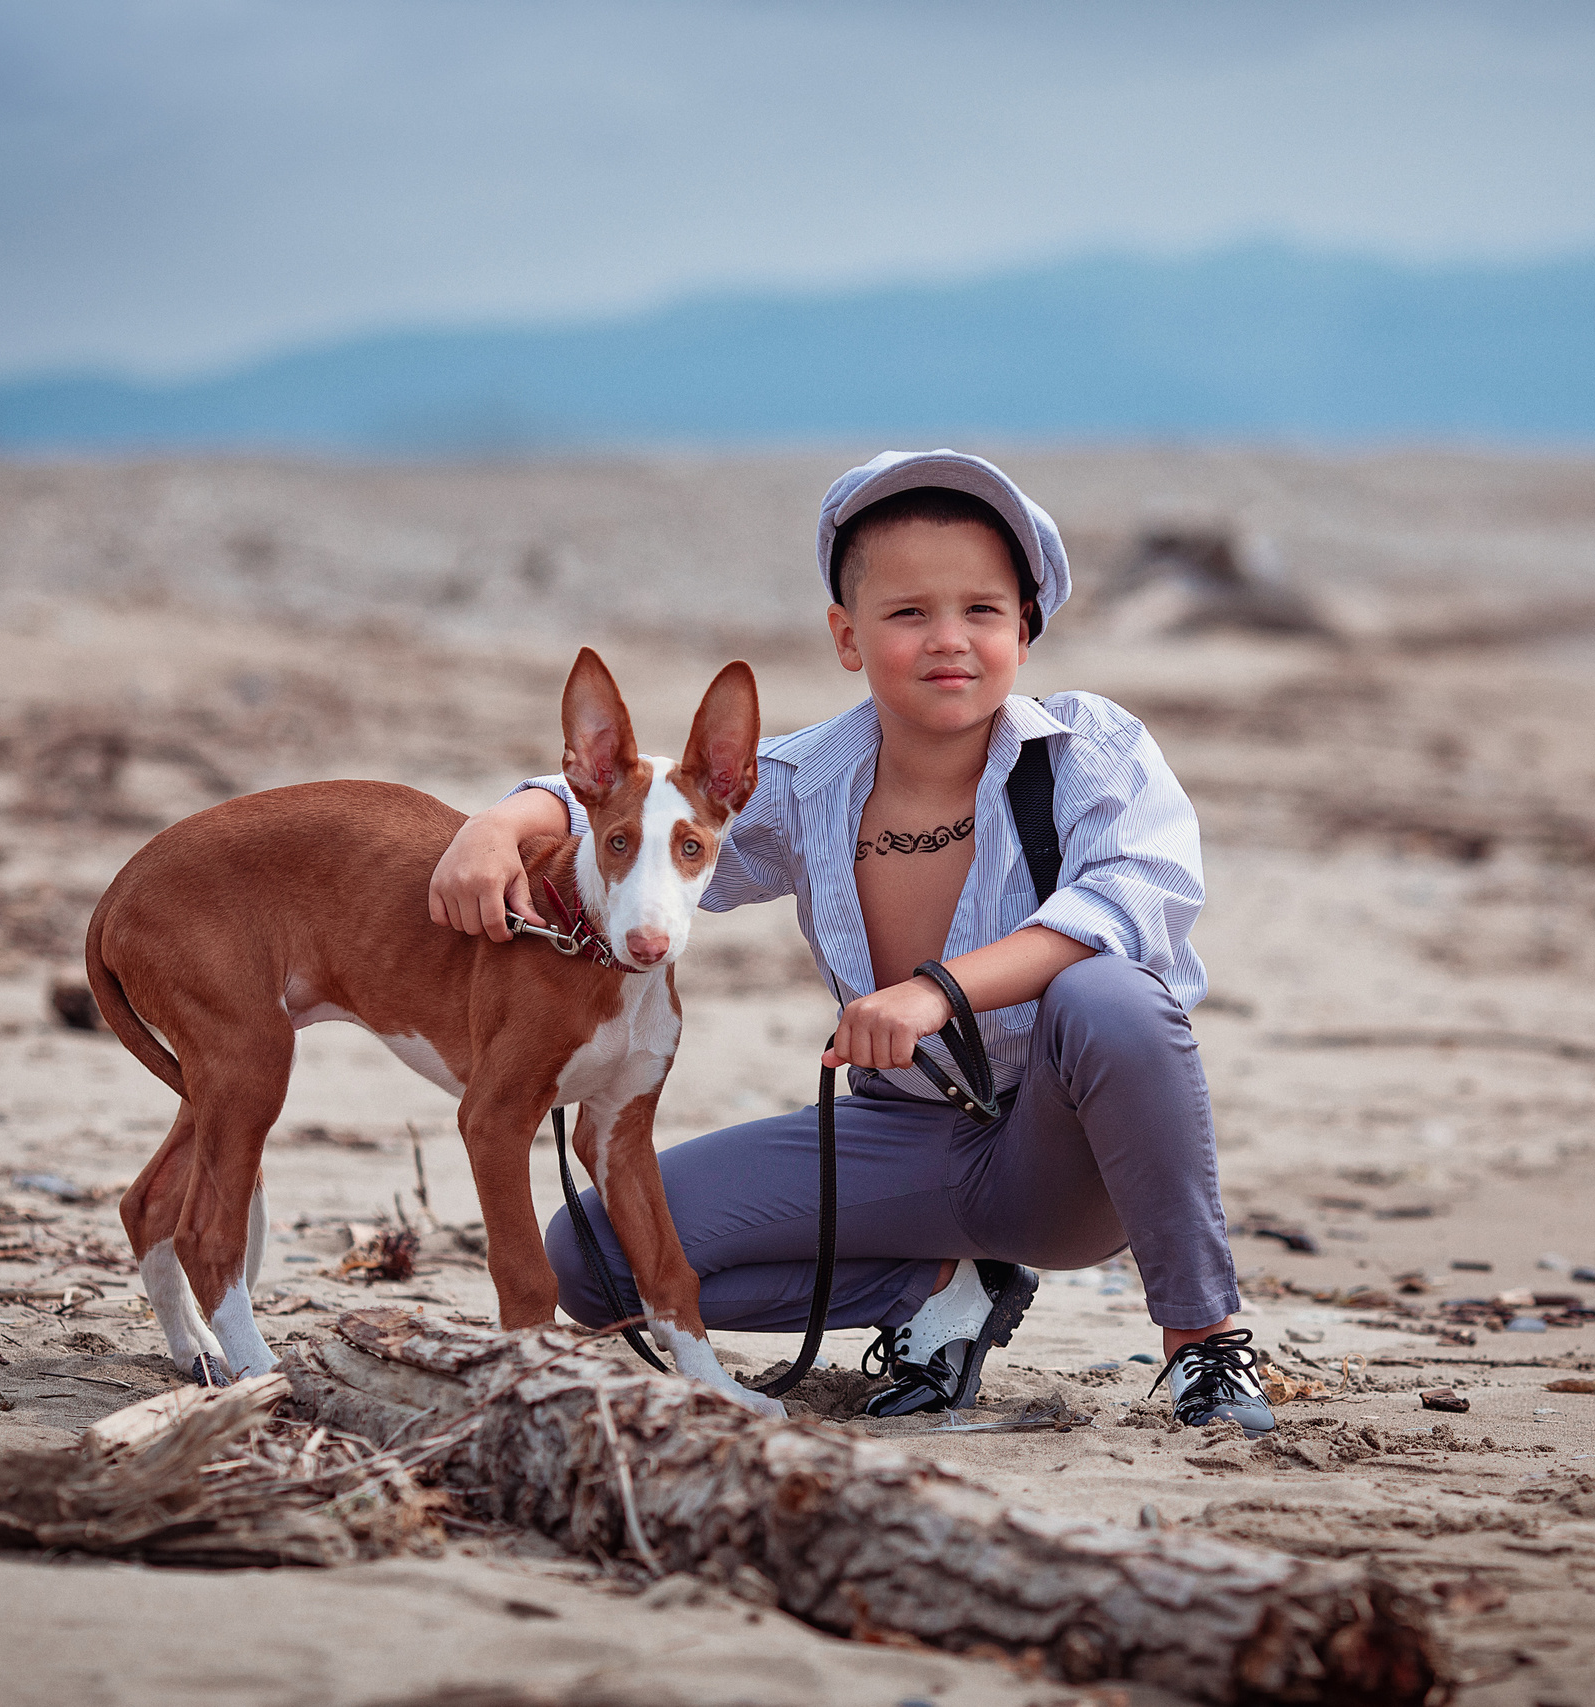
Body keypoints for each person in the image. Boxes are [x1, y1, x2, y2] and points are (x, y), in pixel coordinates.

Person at [428, 450, 1270, 1432]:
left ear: (1026, 631)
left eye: (982, 611)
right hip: (902, 1143)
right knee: (592, 1257)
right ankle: (936, 1293)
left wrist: (934, 992)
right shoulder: (798, 787)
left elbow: (1135, 904)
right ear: (846, 636)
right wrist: (498, 825)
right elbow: (629, 816)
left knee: (1111, 995)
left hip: (1071, 1160)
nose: (948, 640)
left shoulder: (1093, 753)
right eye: (908, 613)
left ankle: (1200, 1343)